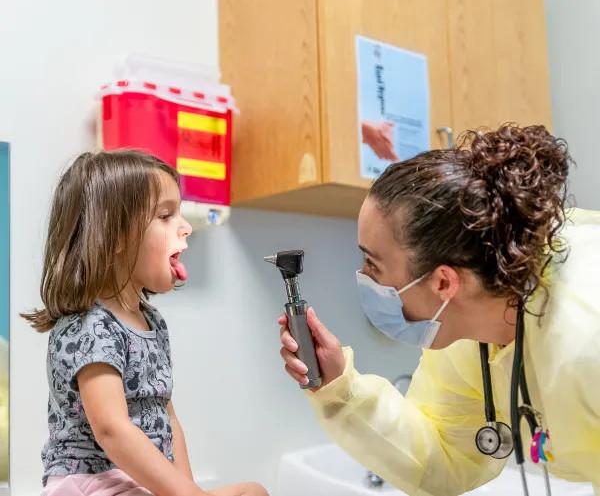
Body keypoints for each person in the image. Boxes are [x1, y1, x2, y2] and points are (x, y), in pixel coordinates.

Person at [278, 124, 600, 495]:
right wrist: (339, 386)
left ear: (444, 282)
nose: (364, 278)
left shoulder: (584, 336)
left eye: (373, 264)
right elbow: (439, 458)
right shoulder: (468, 336)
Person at [22, 151, 268, 496]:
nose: (184, 227)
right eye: (166, 215)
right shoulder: (91, 327)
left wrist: (186, 488)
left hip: (138, 481)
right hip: (93, 482)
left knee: (253, 492)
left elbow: (168, 418)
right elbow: (111, 430)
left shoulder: (152, 322)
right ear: (116, 235)